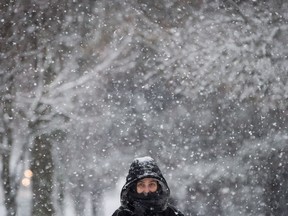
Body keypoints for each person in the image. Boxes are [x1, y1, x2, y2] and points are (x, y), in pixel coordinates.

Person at [112, 156, 184, 216]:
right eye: (141, 185)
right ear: (134, 188)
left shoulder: (172, 214)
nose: (147, 190)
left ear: (158, 186)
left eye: (152, 184)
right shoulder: (121, 214)